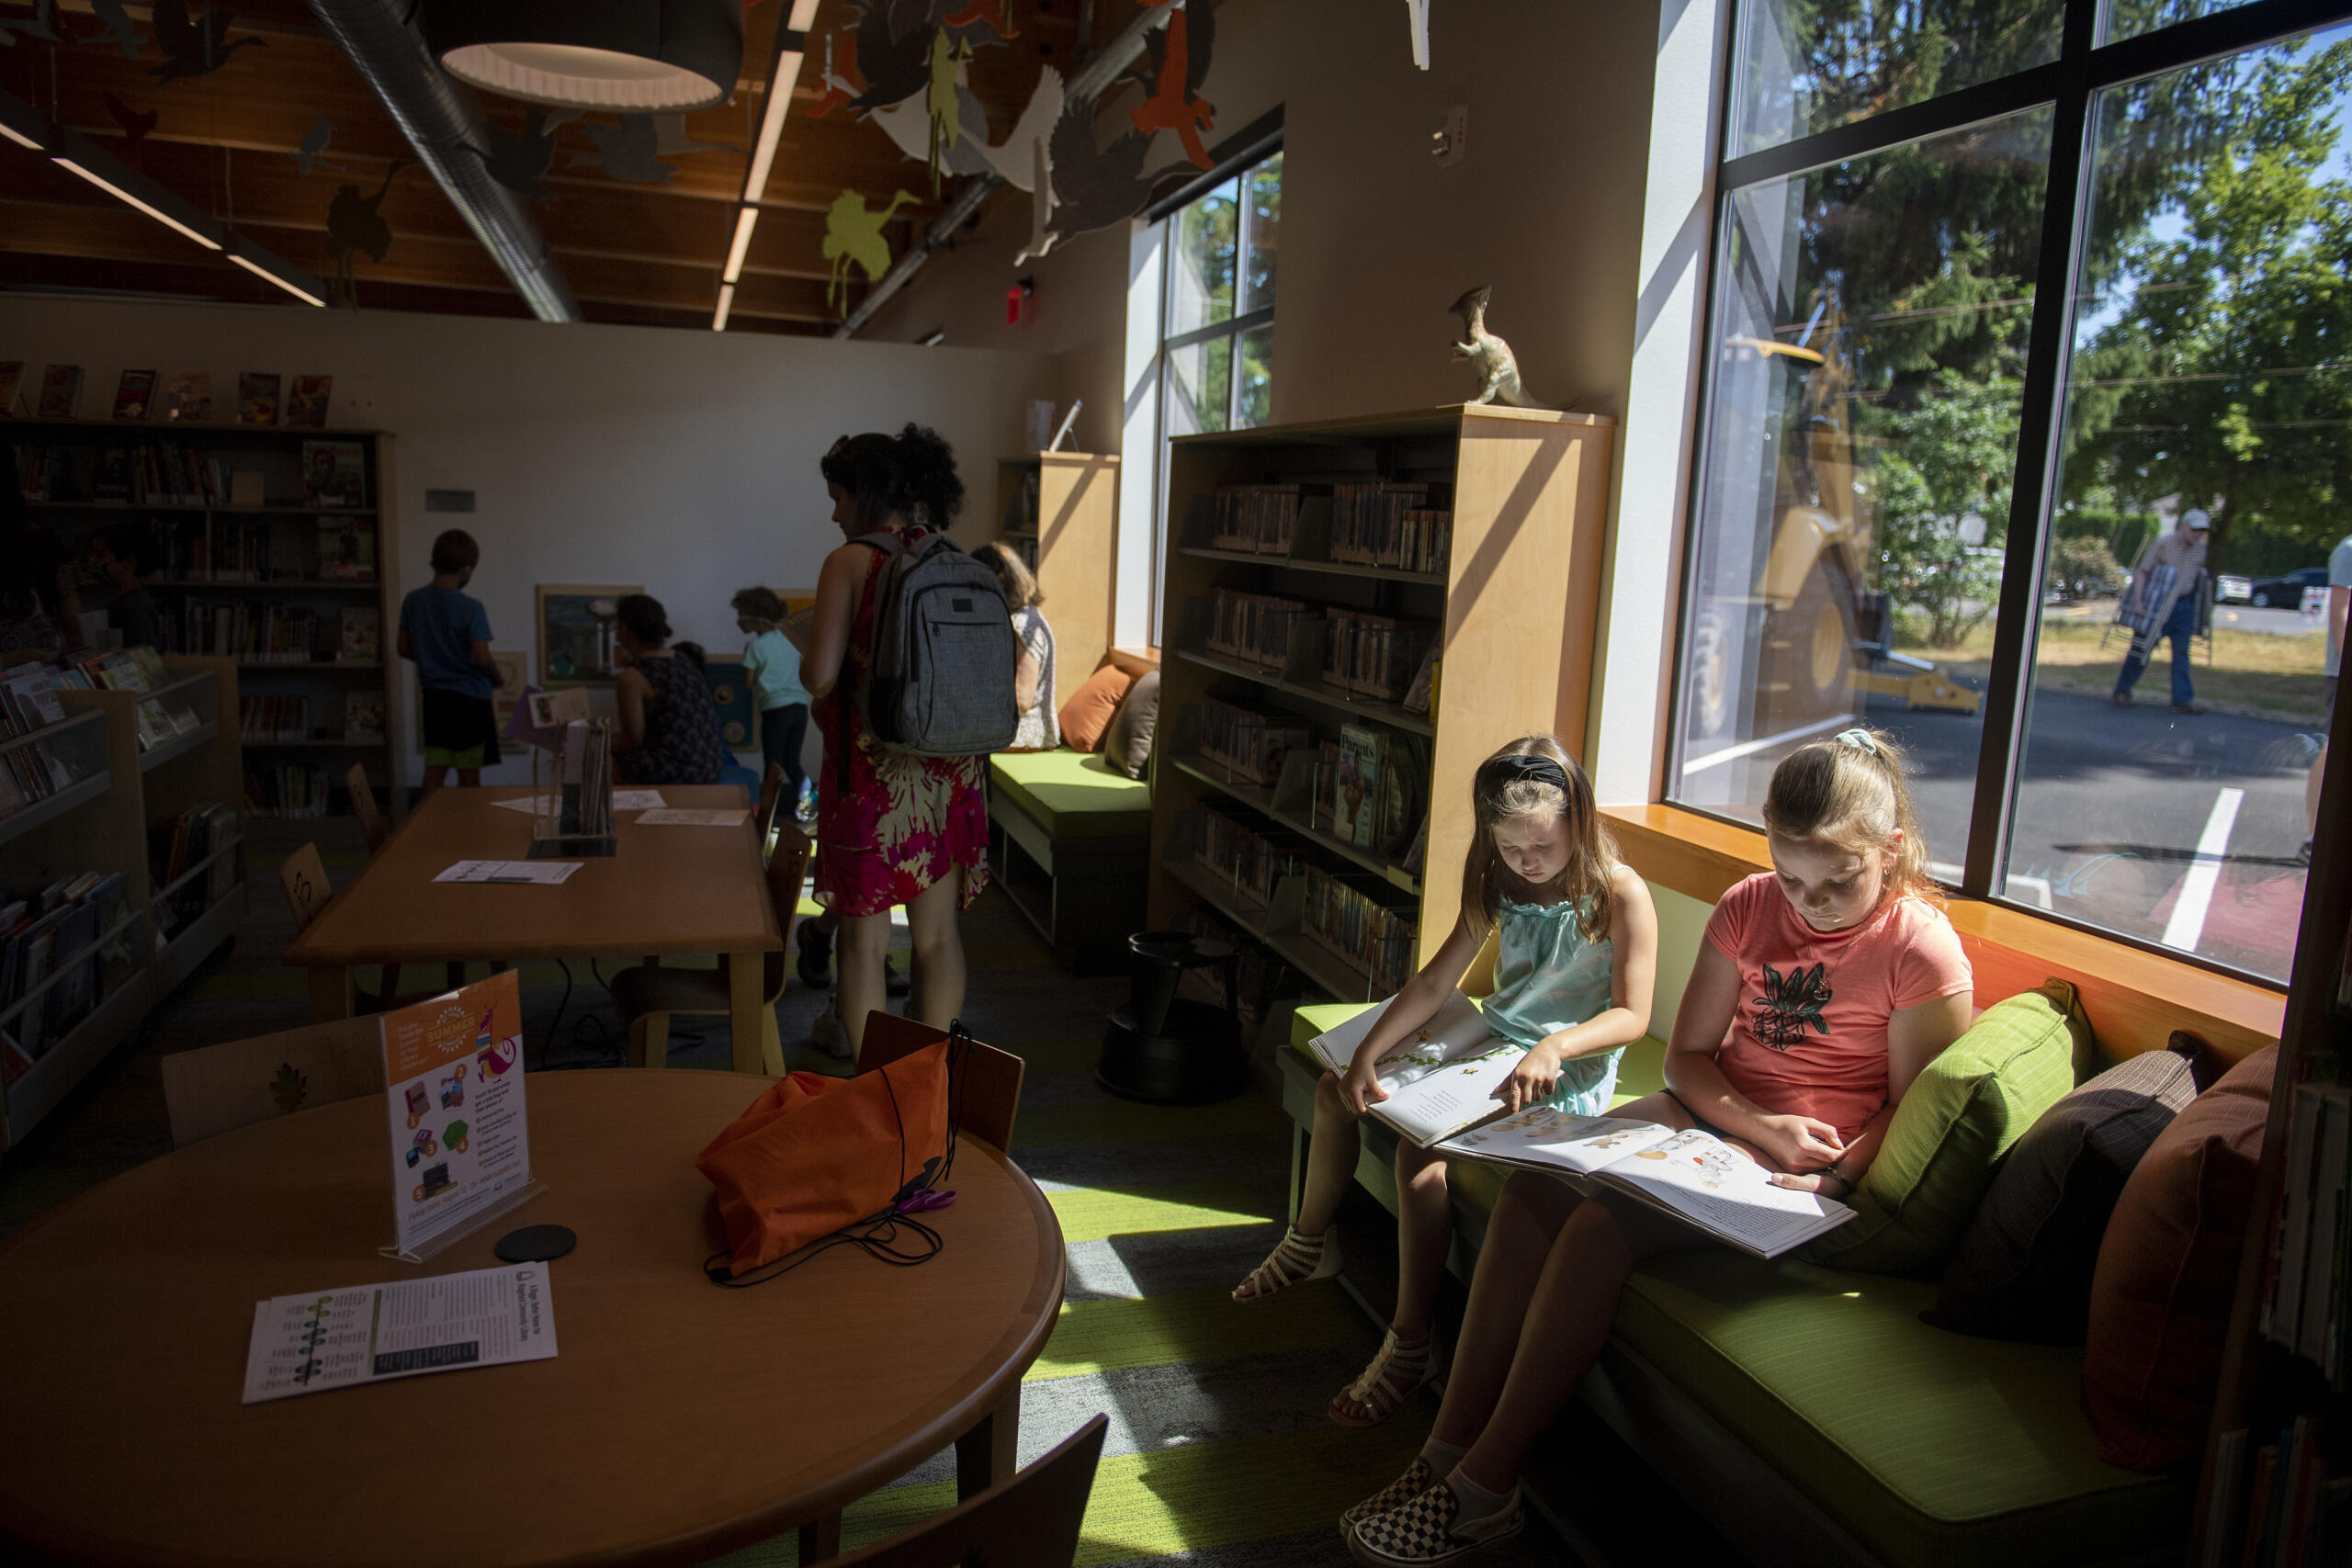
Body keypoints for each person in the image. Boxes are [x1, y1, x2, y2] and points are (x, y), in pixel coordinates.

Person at [1342, 729, 1972, 1564]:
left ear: (1890, 851)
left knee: (1602, 1227)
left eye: (1839, 881)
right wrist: (1749, 1119)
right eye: (1792, 877)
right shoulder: (1750, 905)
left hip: (1806, 1167)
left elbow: (1907, 1105)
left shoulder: (1919, 947)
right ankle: (1445, 1452)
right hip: (1716, 1114)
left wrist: (1828, 1162)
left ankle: (1488, 1488)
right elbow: (1688, 1057)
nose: (1811, 902)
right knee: (1535, 1184)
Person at [1234, 736, 1657, 1432]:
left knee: (1415, 1154)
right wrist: (1370, 1047)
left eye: (1541, 848)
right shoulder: (1497, 876)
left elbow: (1632, 1015)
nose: (1526, 863)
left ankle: (1409, 1341)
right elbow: (1437, 980)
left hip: (1562, 1068)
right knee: (1336, 1086)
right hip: (1493, 1041)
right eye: (1510, 848)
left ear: (1578, 820)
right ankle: (1311, 1241)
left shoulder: (1620, 892)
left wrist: (1556, 1043)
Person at [798, 425, 989, 1064]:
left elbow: (822, 676)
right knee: (937, 939)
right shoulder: (952, 555)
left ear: (866, 493)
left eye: (839, 496)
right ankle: (931, 1080)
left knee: (863, 941)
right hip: (947, 771)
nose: (833, 513)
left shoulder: (848, 562)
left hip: (873, 776)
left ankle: (879, 1089)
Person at [397, 528, 501, 798]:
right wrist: (496, 676)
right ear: (466, 570)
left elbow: (404, 648)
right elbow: (480, 656)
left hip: (434, 699)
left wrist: (434, 658)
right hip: (470, 702)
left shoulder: (413, 601)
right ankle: (468, 832)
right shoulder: (472, 608)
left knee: (435, 768)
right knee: (468, 775)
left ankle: (425, 830)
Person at [613, 595, 728, 787]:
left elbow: (631, 740)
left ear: (623, 628)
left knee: (603, 759)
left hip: (678, 771)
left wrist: (586, 740)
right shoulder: (682, 659)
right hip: (711, 764)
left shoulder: (631, 678)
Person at [2113, 508, 2211, 715]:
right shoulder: (2163, 544)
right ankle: (2122, 690)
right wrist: (2138, 601)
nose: (2198, 534)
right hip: (2159, 605)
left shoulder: (2201, 549)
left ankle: (2182, 700)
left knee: (2182, 653)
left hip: (2184, 605)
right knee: (2142, 649)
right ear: (2184, 526)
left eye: (2202, 530)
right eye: (2194, 529)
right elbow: (2142, 572)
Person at [732, 587, 812, 816]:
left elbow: (748, 682)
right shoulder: (790, 639)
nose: (738, 621)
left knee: (773, 764)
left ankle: (767, 814)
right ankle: (808, 809)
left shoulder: (756, 647)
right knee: (792, 762)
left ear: (752, 618)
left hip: (775, 712)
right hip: (799, 709)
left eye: (740, 615)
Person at [973, 541, 1057, 750]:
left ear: (1000, 580)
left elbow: (1022, 699)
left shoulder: (1020, 625)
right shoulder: (1025, 616)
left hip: (1025, 732)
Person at [2309, 531, 2351, 862]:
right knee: (2333, 747)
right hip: (2342, 672)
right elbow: (2341, 611)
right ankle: (2314, 838)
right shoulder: (2349, 550)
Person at [88, 528, 160, 650]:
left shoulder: (133, 608)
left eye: (100, 555)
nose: (94, 561)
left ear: (128, 562)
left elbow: (139, 661)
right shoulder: (121, 603)